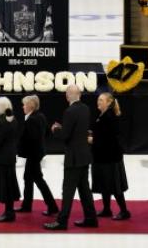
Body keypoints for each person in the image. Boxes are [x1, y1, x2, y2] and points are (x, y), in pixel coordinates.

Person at [44, 85, 97, 230]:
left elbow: (65, 135)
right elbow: (77, 131)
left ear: (67, 96)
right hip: (84, 155)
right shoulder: (85, 108)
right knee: (84, 190)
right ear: (79, 95)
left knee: (68, 191)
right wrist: (64, 128)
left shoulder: (69, 111)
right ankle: (91, 218)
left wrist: (56, 130)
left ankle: (62, 221)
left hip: (73, 157)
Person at [89, 92, 130, 220]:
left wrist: (91, 140)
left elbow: (106, 139)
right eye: (98, 99)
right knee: (105, 184)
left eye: (101, 100)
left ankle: (124, 211)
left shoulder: (109, 116)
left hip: (110, 157)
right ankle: (107, 209)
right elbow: (100, 133)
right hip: (103, 156)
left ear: (108, 102)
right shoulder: (103, 115)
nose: (98, 102)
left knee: (114, 185)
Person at [15, 95, 59, 215]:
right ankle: (27, 205)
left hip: (33, 154)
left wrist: (20, 147)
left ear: (31, 106)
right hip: (36, 153)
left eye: (24, 104)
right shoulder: (40, 116)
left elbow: (32, 139)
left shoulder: (33, 119)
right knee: (28, 178)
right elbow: (47, 134)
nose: (23, 106)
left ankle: (52, 207)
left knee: (38, 179)